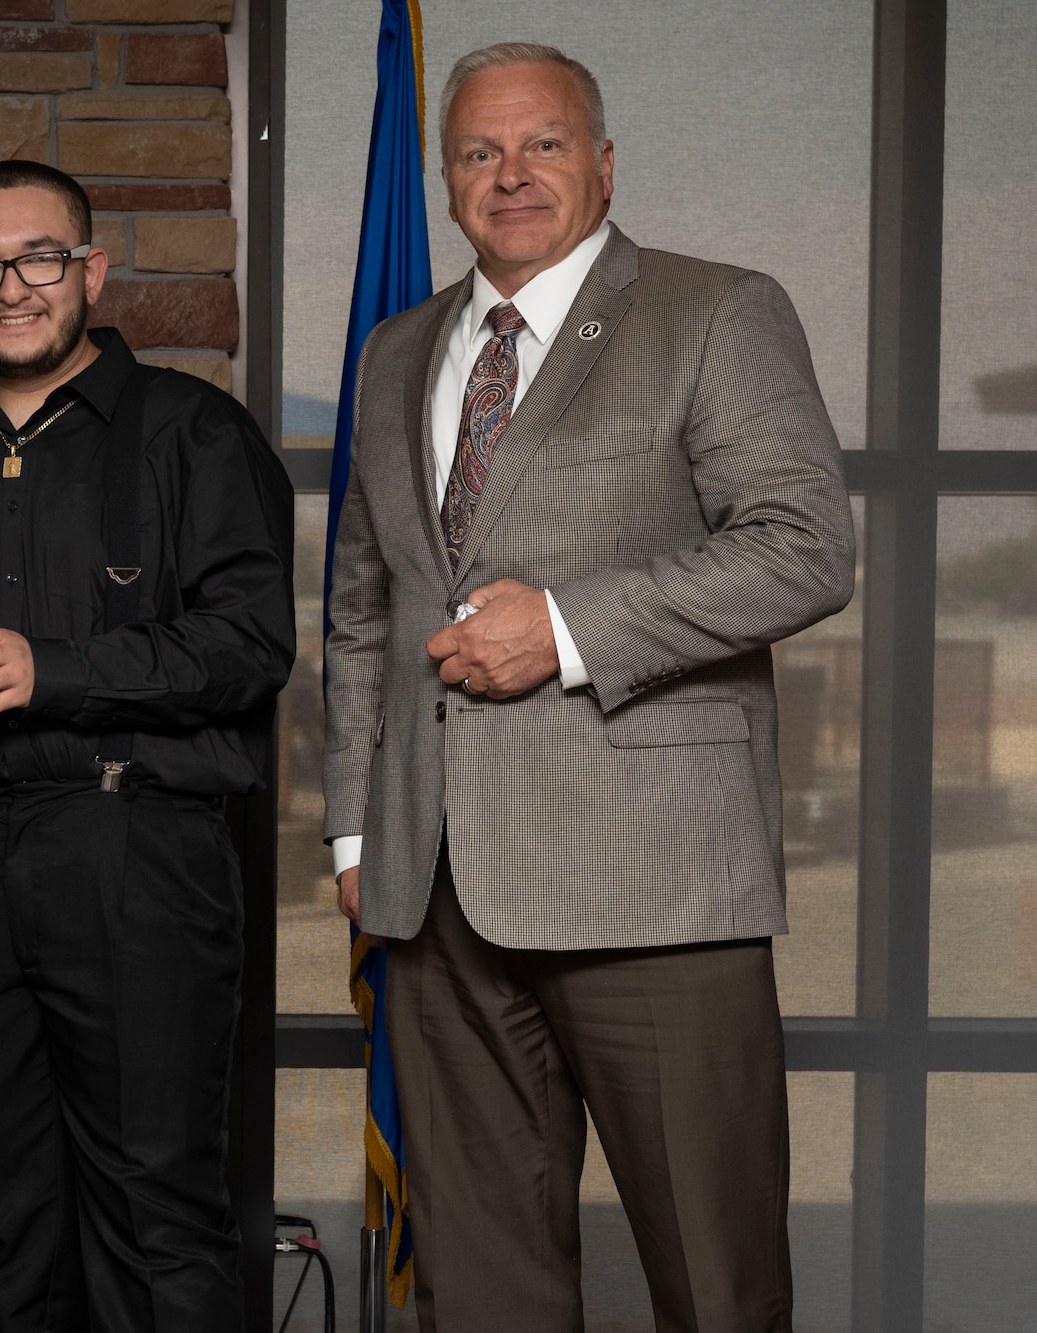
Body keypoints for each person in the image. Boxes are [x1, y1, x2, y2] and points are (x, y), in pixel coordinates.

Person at [324, 42, 854, 1333]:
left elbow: (804, 544)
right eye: (479, 153)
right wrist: (355, 824)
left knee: (718, 1289)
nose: (511, 176)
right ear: (446, 180)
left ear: (604, 162)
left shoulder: (716, 309)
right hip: (436, 894)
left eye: (544, 145)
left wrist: (562, 628)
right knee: (482, 1294)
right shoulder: (398, 350)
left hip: (655, 889)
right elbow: (360, 605)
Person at [0, 160, 294, 1333]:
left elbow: (251, 645)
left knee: (160, 1219)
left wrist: (59, 670)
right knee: (1, 1224)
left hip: (134, 849)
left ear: (88, 271)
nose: (11, 286)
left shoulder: (196, 432)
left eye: (37, 256)